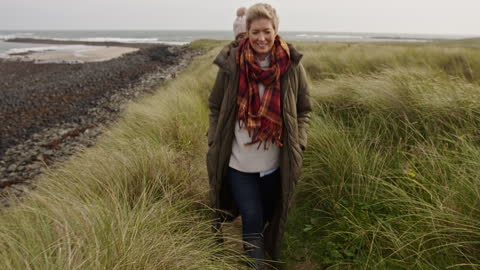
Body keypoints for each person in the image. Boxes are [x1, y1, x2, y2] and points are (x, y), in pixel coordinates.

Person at [207, 3, 312, 269]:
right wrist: (214, 138)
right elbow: (216, 106)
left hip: (275, 163)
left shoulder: (291, 65)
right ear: (247, 32)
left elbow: (303, 110)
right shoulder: (232, 63)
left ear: (276, 30)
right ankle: (257, 265)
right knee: (251, 217)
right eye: (255, 32)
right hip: (239, 162)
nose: (261, 38)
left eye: (267, 31)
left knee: (267, 216)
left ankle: (262, 253)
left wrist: (298, 142)